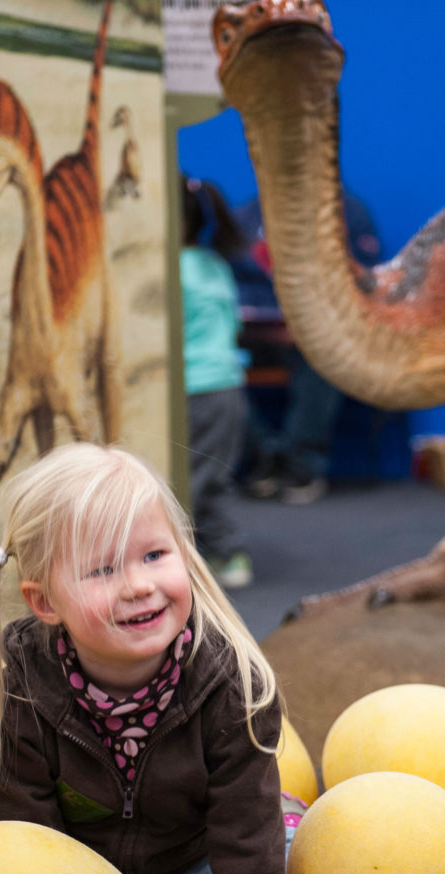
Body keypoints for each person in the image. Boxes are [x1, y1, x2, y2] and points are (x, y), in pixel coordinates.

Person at [0, 442, 289, 874]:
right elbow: (28, 850)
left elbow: (247, 849)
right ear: (45, 602)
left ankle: (291, 821)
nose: (139, 585)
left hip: (193, 862)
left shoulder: (232, 687)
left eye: (154, 555)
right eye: (102, 571)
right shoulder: (20, 687)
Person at [232, 191, 384, 505]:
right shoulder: (246, 216)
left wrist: (310, 326)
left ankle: (300, 463)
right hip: (254, 334)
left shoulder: (348, 213)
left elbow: (363, 282)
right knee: (212, 369)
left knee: (325, 360)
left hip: (318, 334)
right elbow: (235, 279)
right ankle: (264, 457)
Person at [181, 174, 253, 589]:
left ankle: (228, 553)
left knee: (196, 478)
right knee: (209, 473)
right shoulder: (214, 264)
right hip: (226, 385)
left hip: (195, 387)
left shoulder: (171, 269)